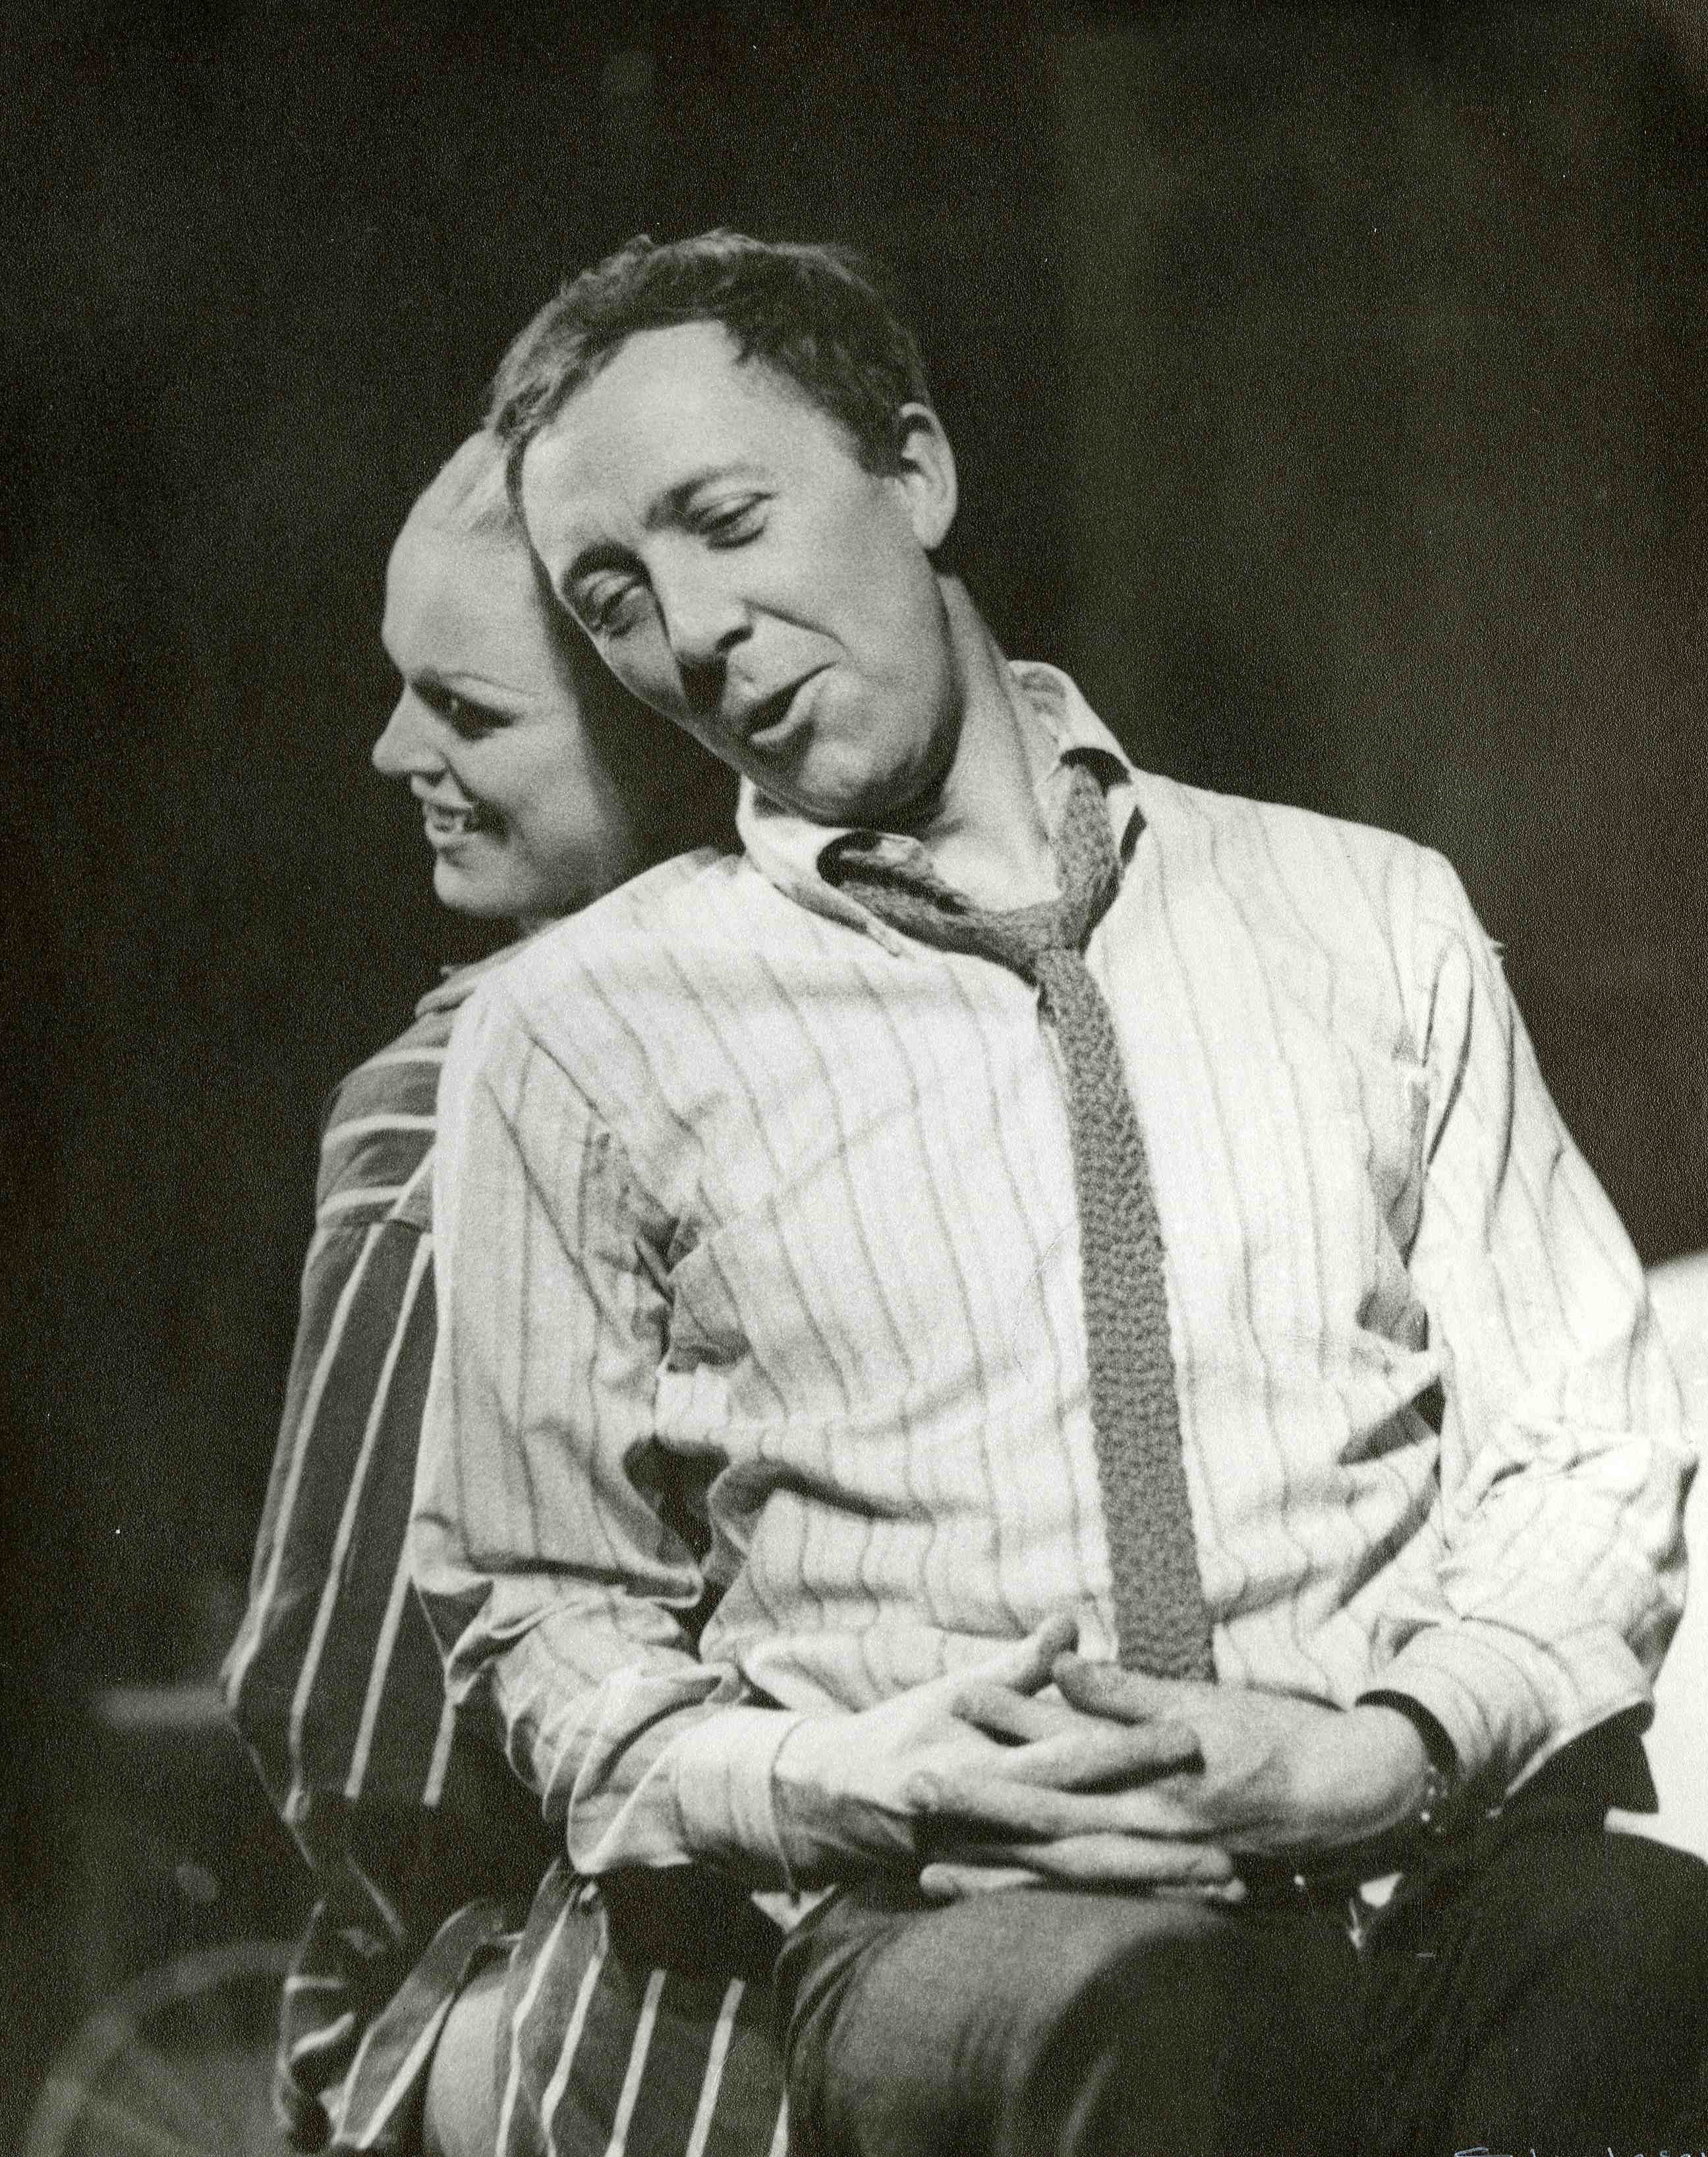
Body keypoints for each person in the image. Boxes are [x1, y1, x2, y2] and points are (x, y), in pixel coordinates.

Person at [413, 233, 1708, 2157]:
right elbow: (546, 1618)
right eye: (614, 598)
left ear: (915, 468)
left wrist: (1389, 1749)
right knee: (1168, 2020)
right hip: (965, 1928)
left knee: (1663, 1951)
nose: (691, 632)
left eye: (727, 522)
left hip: (1402, 1855)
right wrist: (851, 1775)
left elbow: (1586, 1446)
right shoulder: (578, 1034)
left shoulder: (1369, 914)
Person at [222, 432, 787, 2157]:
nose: (396, 753)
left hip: (630, 1991)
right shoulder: (907, 1005)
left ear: (661, 729)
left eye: (466, 712)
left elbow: (356, 1715)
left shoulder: (446, 1111)